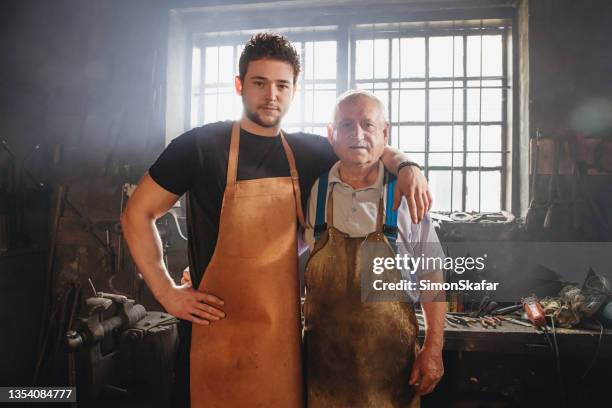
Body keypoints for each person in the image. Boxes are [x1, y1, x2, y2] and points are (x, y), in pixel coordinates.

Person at [121, 33, 432, 407]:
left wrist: (407, 165)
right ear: (239, 85)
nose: (271, 95)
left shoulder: (308, 151)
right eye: (259, 83)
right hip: (212, 330)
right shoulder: (198, 147)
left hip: (281, 341)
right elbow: (137, 214)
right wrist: (166, 292)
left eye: (282, 85)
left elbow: (365, 141)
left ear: (294, 90)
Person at [303, 90, 446, 407]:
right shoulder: (315, 191)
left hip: (391, 379)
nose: (357, 135)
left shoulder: (406, 194)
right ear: (331, 134)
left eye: (368, 125)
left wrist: (433, 347)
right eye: (346, 125)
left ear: (385, 132)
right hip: (323, 378)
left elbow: (431, 274)